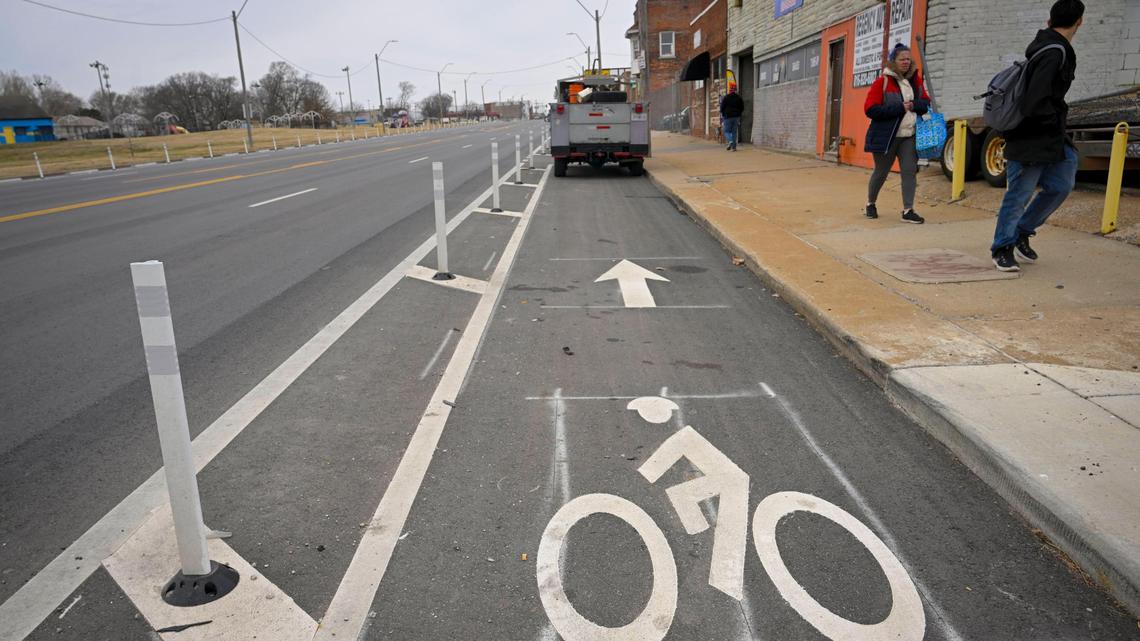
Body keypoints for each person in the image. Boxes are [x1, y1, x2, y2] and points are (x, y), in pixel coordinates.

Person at [990, 0, 1083, 272]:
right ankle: (1002, 247)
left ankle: (1022, 230)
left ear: (1050, 20)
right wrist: (1054, 118)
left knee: (1061, 184)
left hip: (1052, 138)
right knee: (1019, 194)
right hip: (1031, 138)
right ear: (1080, 21)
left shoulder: (1052, 47)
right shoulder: (1053, 52)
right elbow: (1034, 103)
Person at [863, 43, 931, 224]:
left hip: (909, 136)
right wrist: (899, 108)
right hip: (887, 138)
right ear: (894, 61)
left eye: (908, 59)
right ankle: (870, 203)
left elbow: (925, 103)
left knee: (909, 172)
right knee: (881, 172)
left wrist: (914, 105)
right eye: (902, 59)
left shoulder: (915, 82)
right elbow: (870, 109)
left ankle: (908, 210)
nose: (906, 62)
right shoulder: (882, 82)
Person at [719, 84, 744, 151]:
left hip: (728, 117)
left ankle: (730, 141)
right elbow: (742, 107)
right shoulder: (739, 98)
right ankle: (734, 148)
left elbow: (722, 107)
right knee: (734, 132)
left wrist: (722, 113)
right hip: (736, 117)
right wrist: (739, 114)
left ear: (729, 90)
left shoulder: (726, 97)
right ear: (735, 90)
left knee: (726, 131)